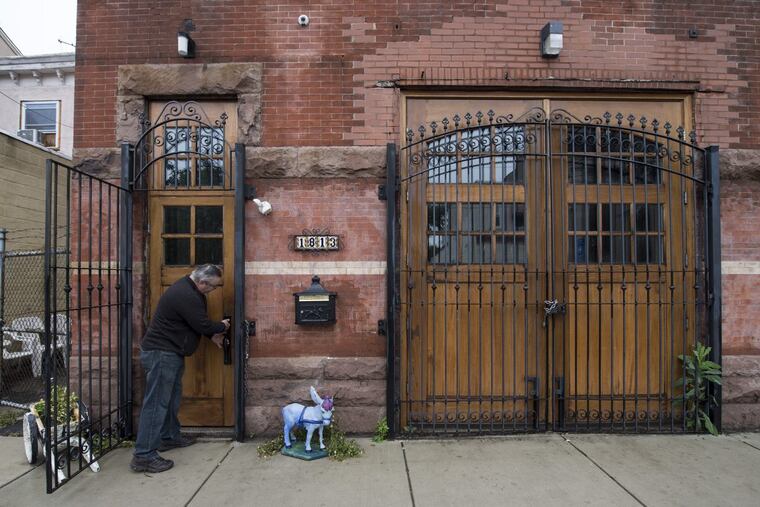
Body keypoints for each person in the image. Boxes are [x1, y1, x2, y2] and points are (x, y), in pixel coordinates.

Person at [130, 264, 230, 473]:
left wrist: (211, 334)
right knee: (156, 404)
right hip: (161, 354)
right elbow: (202, 324)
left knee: (170, 399)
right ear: (202, 282)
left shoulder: (190, 290)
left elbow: (192, 323)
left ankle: (169, 437)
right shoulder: (186, 294)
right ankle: (143, 455)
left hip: (170, 353)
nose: (213, 290)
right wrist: (222, 327)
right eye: (212, 287)